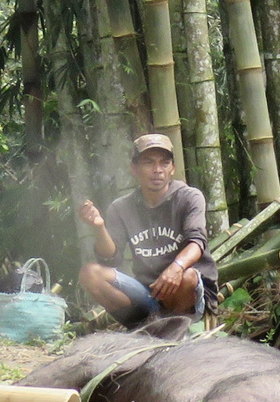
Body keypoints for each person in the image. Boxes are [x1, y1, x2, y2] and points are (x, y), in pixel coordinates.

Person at [79, 133, 217, 327]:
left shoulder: (189, 197)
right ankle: (143, 326)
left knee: (187, 277)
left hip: (188, 296)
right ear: (134, 168)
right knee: (90, 273)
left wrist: (176, 267)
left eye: (164, 163)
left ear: (173, 168)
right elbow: (111, 259)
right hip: (146, 293)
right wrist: (99, 228)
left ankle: (174, 328)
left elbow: (197, 242)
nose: (157, 170)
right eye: (148, 163)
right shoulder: (121, 208)